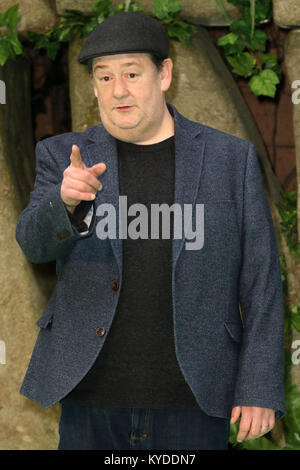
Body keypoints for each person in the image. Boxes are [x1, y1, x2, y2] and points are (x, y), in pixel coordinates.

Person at [15, 11, 285, 450]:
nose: (117, 89)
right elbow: (34, 245)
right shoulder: (64, 156)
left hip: (194, 400)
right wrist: (63, 203)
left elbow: (261, 281)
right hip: (92, 399)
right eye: (103, 77)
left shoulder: (228, 160)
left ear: (164, 75)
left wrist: (258, 386)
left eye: (131, 73)